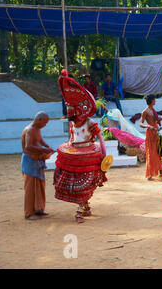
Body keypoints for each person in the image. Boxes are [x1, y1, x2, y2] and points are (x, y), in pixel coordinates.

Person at [54, 70, 108, 223]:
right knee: (79, 183)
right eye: (68, 109)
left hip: (88, 154)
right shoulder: (72, 122)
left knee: (85, 183)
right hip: (75, 154)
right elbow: (72, 137)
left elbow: (100, 137)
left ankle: (82, 209)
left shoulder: (89, 122)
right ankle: (84, 207)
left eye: (71, 109)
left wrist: (104, 155)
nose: (70, 112)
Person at [21, 111, 54, 220]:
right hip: (30, 161)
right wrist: (44, 149)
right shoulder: (30, 130)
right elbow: (28, 147)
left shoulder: (37, 129)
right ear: (39, 120)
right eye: (45, 123)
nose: (45, 125)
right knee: (30, 188)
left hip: (37, 161)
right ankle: (29, 213)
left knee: (39, 186)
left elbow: (39, 140)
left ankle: (39, 209)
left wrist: (46, 145)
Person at [139, 94, 162, 180]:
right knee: (151, 152)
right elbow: (140, 124)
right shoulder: (145, 111)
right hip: (150, 132)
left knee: (158, 151)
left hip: (156, 130)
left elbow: (154, 120)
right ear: (152, 100)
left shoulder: (153, 110)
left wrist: (158, 119)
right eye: (154, 99)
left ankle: (160, 170)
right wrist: (148, 126)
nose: (155, 101)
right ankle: (149, 174)